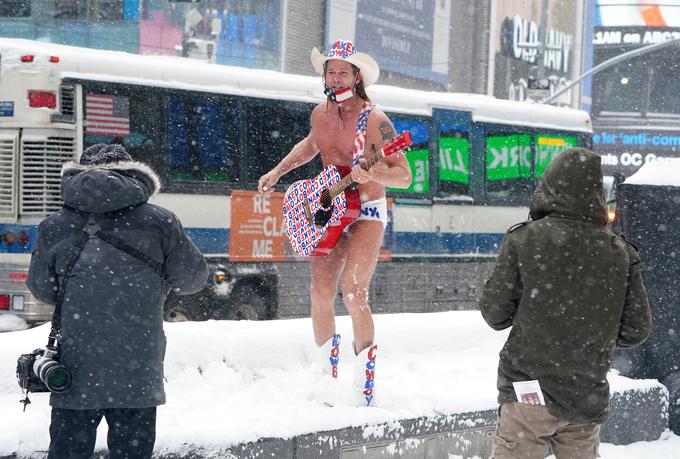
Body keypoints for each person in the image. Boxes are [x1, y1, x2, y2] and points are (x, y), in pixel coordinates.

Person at [27, 144, 209, 458]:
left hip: (73, 370)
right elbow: (192, 280)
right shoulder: (160, 222)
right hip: (136, 370)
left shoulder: (54, 226)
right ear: (132, 173)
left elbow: (43, 290)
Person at [258, 40, 412, 406]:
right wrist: (278, 170)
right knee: (320, 293)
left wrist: (372, 170)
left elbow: (403, 175)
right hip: (331, 209)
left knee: (355, 293)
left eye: (344, 71)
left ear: (357, 77)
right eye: (331, 70)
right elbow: (312, 145)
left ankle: (364, 387)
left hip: (367, 210)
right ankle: (326, 380)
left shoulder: (376, 119)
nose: (337, 76)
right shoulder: (319, 114)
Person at [479, 147, 652, 458]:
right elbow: (637, 329)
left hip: (527, 391)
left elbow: (495, 314)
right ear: (597, 193)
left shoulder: (524, 239)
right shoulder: (619, 253)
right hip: (584, 396)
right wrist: (593, 334)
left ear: (549, 186)